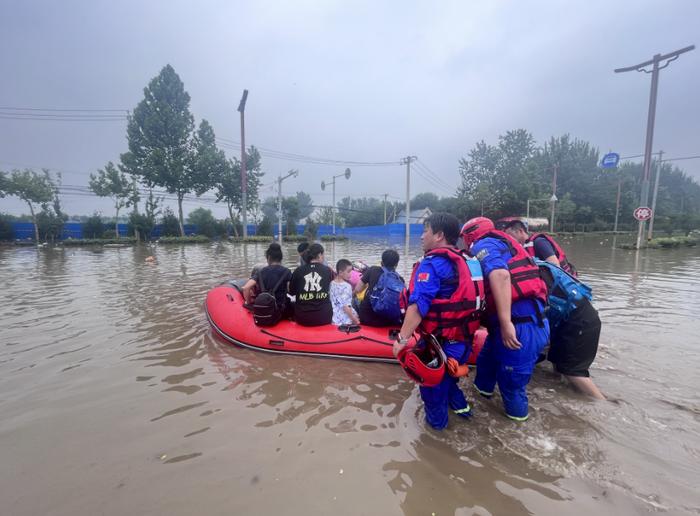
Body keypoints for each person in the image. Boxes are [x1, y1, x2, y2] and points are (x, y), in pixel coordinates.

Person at [393, 213, 485, 430]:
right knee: (449, 382)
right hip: (463, 341)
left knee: (432, 393)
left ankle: (437, 439)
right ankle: (465, 415)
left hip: (441, 345)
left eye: (426, 230)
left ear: (440, 235)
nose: (422, 236)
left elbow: (417, 305)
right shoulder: (468, 259)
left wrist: (402, 340)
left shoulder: (433, 263)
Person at [500, 220, 605, 399]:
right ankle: (565, 396)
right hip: (570, 312)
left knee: (573, 372)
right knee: (558, 364)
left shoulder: (537, 246)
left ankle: (603, 405)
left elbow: (554, 266)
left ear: (519, 231)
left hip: (576, 317)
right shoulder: (528, 264)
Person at [461, 217, 550, 422]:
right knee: (485, 367)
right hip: (504, 327)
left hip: (521, 326)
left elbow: (500, 275)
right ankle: (480, 408)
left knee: (511, 384)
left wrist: (505, 321)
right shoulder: (502, 243)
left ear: (469, 235)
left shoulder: (485, 244)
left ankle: (517, 430)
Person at [496, 217, 577, 277]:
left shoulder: (539, 242)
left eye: (510, 235)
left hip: (564, 284)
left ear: (520, 231)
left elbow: (556, 267)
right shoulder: (521, 248)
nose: (509, 239)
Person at [354, 249, 404, 327]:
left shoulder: (373, 270)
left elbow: (358, 289)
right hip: (387, 321)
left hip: (367, 318)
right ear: (396, 265)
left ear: (382, 262)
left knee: (355, 300)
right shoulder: (400, 280)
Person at [289, 243, 333, 326]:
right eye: (323, 254)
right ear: (320, 254)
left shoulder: (298, 271)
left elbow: (292, 292)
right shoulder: (328, 271)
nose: (324, 257)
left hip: (302, 318)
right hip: (324, 317)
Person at [330, 259, 360, 326]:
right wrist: (354, 320)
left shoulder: (331, 283)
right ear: (340, 272)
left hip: (334, 317)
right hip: (345, 319)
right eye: (348, 272)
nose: (351, 274)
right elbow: (346, 306)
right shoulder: (347, 286)